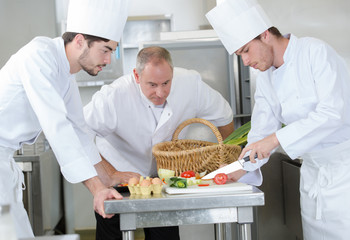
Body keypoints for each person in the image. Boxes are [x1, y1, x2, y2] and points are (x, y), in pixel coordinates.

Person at [206, 0, 350, 239]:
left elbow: (332, 113)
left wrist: (274, 139)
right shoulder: (267, 78)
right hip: (313, 177)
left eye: (246, 50)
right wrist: (237, 170)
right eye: (239, 55)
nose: (245, 61)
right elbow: (260, 134)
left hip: (349, 174)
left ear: (265, 34)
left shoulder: (315, 52)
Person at [0, 0, 130, 238]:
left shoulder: (66, 73)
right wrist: (97, 189)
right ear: (80, 41)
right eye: (105, 50)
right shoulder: (39, 55)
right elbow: (57, 127)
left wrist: (108, 177)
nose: (109, 60)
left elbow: (79, 131)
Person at [83, 46, 234, 240]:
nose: (161, 92)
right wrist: (109, 173)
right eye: (152, 85)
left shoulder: (190, 84)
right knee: (111, 233)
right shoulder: (114, 96)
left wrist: (230, 161)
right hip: (119, 176)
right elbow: (79, 134)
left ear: (172, 73)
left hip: (162, 179)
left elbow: (224, 115)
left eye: (166, 83)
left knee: (165, 235)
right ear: (137, 76)